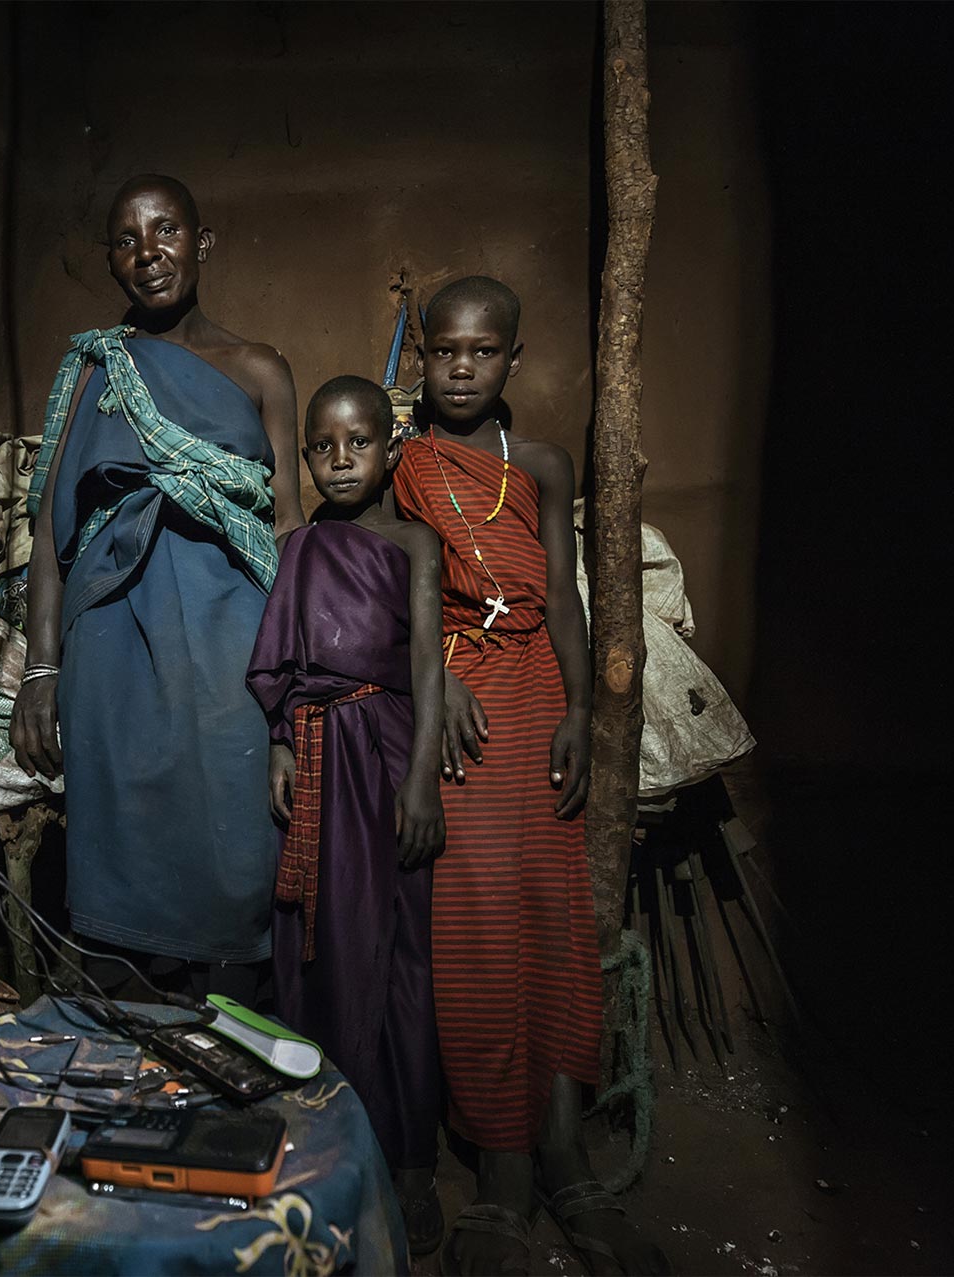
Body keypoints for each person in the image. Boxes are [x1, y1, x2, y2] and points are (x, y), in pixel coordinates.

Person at [393, 277, 669, 1275]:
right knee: (473, 923)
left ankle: (562, 1148)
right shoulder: (409, 464)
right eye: (442, 351)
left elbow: (561, 597)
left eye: (480, 351)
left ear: (512, 357)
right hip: (463, 701)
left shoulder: (542, 463)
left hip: (539, 699)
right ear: (422, 357)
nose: (459, 368)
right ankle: (500, 1163)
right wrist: (435, 694)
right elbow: (416, 600)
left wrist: (582, 712)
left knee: (550, 917)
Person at [11, 175, 306, 1003]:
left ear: (202, 242)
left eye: (167, 230)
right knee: (126, 852)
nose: (150, 254)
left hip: (233, 633)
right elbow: (47, 524)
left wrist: (292, 676)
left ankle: (230, 1063)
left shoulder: (261, 370)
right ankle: (131, 1064)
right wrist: (41, 670)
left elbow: (284, 526)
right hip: (111, 633)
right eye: (129, 240)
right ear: (110, 260)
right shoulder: (94, 363)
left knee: (237, 839)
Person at [245, 376, 452, 1254]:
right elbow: (282, 666)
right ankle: (325, 1142)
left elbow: (431, 667)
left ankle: (409, 1160)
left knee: (395, 948)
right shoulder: (296, 547)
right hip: (319, 758)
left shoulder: (414, 543)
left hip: (386, 754)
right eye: (322, 446)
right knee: (311, 944)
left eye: (357, 442)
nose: (339, 459)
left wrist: (422, 785)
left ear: (389, 450)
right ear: (306, 458)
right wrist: (284, 745)